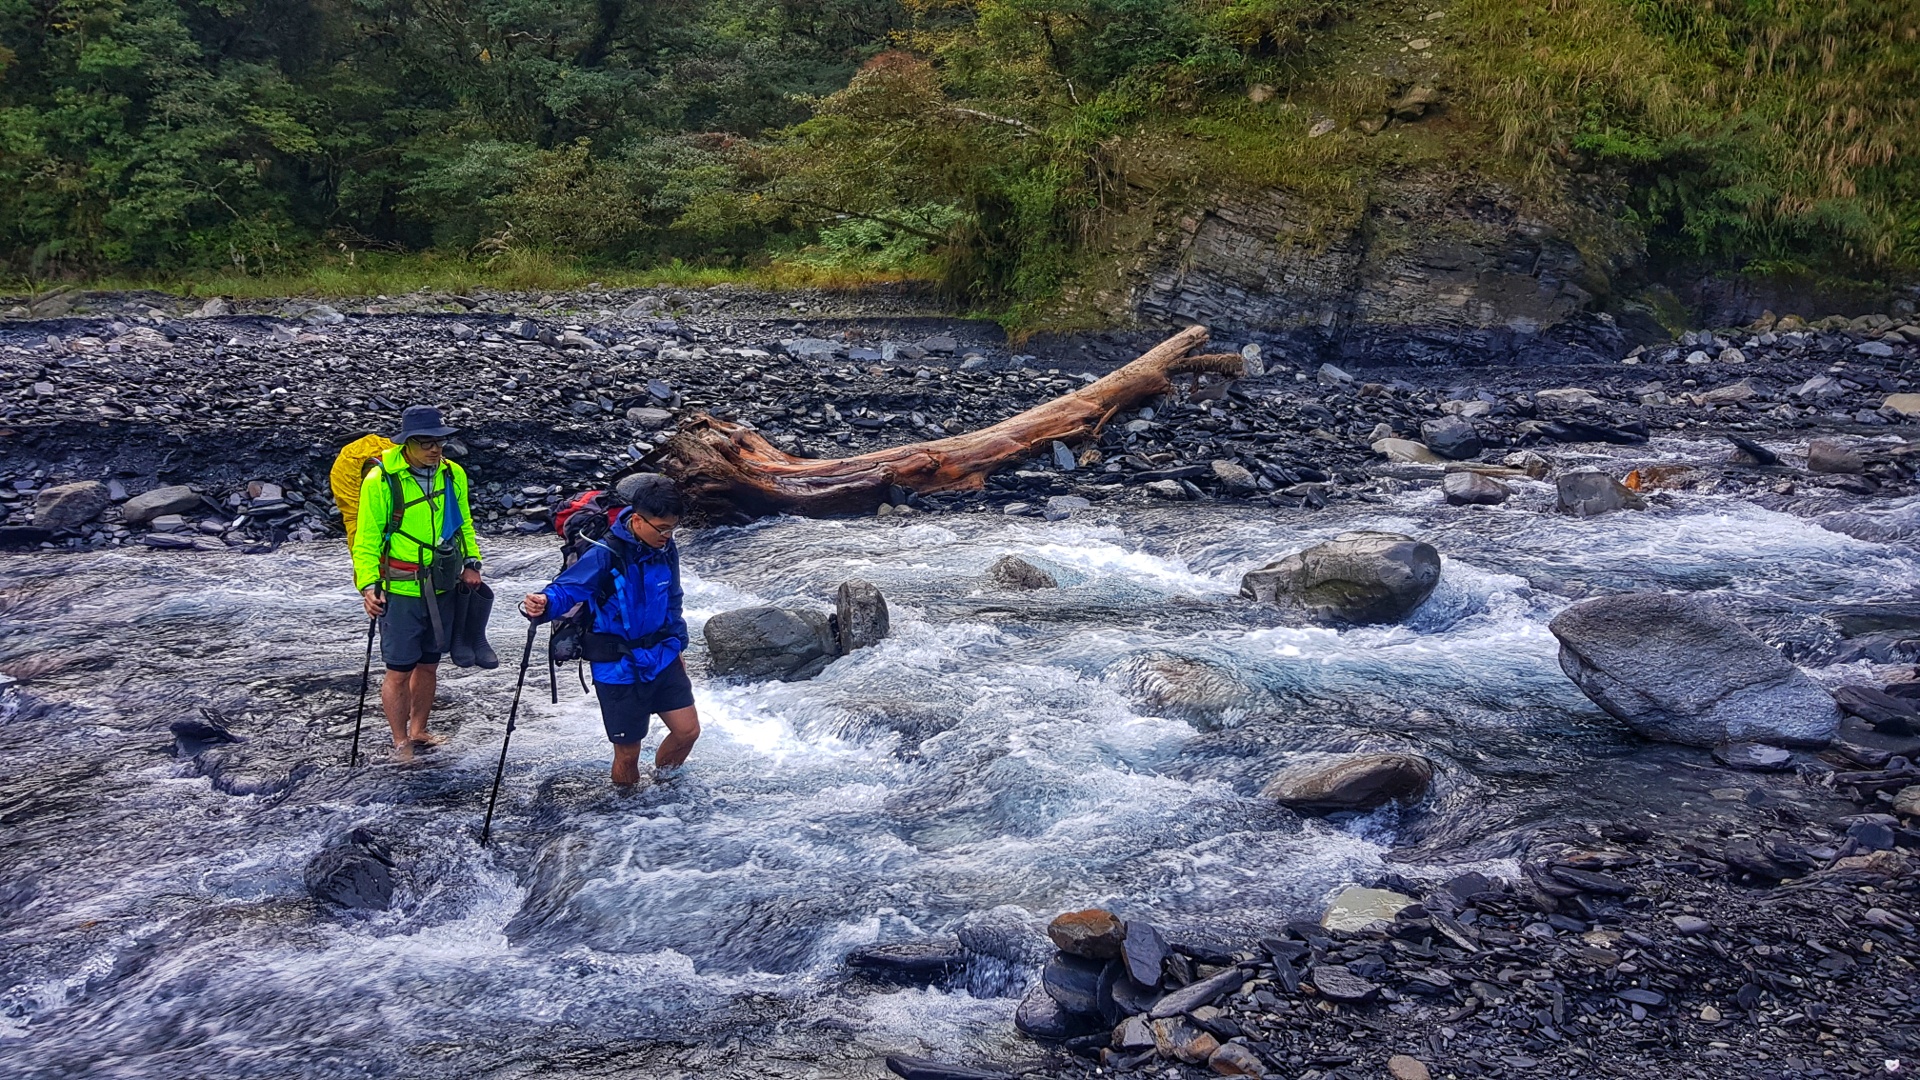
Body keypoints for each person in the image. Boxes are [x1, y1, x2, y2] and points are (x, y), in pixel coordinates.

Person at [520, 473, 700, 786]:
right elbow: (568, 590)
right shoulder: (605, 553)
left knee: (687, 731)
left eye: (673, 528)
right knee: (628, 753)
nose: (668, 535)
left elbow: (673, 599)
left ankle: (663, 787)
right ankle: (627, 805)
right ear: (638, 520)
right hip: (617, 666)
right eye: (662, 528)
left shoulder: (666, 550)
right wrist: (543, 603)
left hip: (662, 655)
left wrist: (678, 645)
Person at [352, 405, 483, 759]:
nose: (435, 449)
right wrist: (368, 585)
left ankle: (419, 729)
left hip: (442, 584)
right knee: (398, 669)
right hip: (401, 588)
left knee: (429, 663)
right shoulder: (381, 480)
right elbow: (367, 539)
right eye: (426, 442)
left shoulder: (452, 474)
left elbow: (463, 525)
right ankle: (400, 741)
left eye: (439, 441)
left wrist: (472, 563)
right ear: (407, 444)